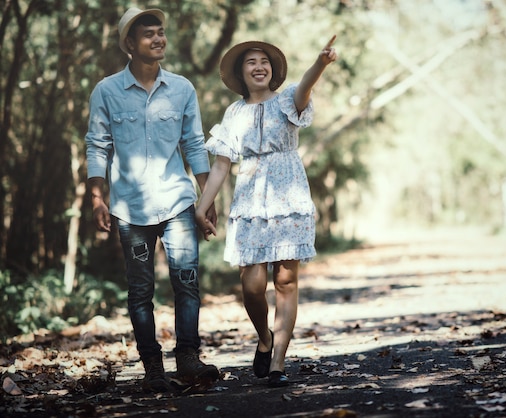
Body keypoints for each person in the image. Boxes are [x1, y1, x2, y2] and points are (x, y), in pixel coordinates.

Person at [85, 7, 220, 393]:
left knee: (187, 281)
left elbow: (194, 143)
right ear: (130, 44)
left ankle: (189, 358)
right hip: (129, 208)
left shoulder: (182, 88)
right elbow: (97, 146)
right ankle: (153, 368)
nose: (158, 39)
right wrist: (98, 198)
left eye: (161, 32)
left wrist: (206, 196)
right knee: (141, 290)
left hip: (177, 200)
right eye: (149, 34)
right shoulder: (106, 91)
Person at [195, 36, 338, 387]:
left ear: (272, 69)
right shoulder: (234, 112)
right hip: (250, 200)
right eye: (251, 62)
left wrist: (320, 63)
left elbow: (305, 87)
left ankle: (277, 362)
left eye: (264, 61)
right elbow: (220, 167)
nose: (259, 66)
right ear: (241, 73)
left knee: (286, 280)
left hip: (288, 196)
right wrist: (202, 207)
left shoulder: (288, 99)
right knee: (252, 284)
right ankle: (264, 336)